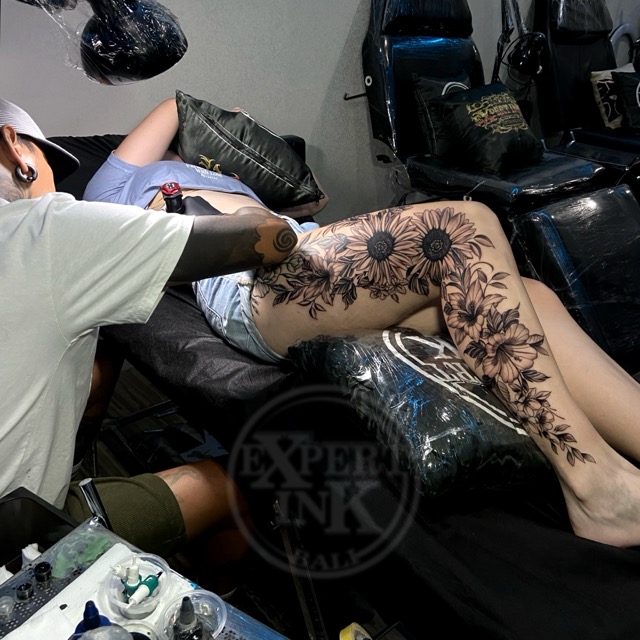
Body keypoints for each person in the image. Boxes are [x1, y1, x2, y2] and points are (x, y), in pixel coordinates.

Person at [85, 96, 640, 550]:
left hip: (304, 251)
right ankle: (595, 487)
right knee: (461, 227)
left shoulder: (223, 175)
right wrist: (235, 168)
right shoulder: (109, 189)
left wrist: (249, 166)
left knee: (526, 296)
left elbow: (289, 185)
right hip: (244, 274)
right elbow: (173, 112)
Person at [0, 98, 299, 589]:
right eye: (49, 160)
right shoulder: (48, 225)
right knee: (252, 479)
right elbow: (267, 238)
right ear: (16, 148)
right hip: (16, 547)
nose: (57, 179)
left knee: (98, 365)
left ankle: (76, 480)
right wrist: (233, 205)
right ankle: (193, 597)